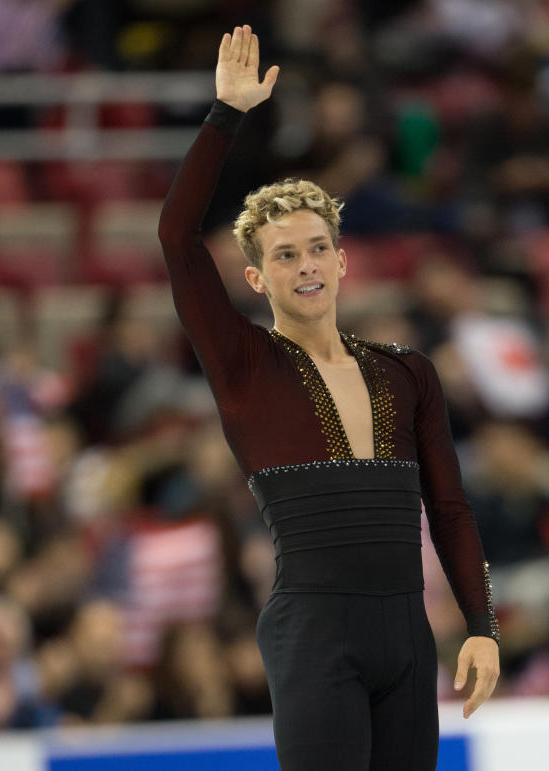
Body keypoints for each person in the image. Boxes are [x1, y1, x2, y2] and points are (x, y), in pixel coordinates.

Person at [158, 26, 500, 771]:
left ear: (343, 261)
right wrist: (226, 115)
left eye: (317, 248)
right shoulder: (244, 363)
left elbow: (449, 508)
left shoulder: (410, 372)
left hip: (409, 636)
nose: (306, 265)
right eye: (284, 254)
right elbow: (177, 235)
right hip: (313, 634)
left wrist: (480, 623)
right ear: (257, 278)